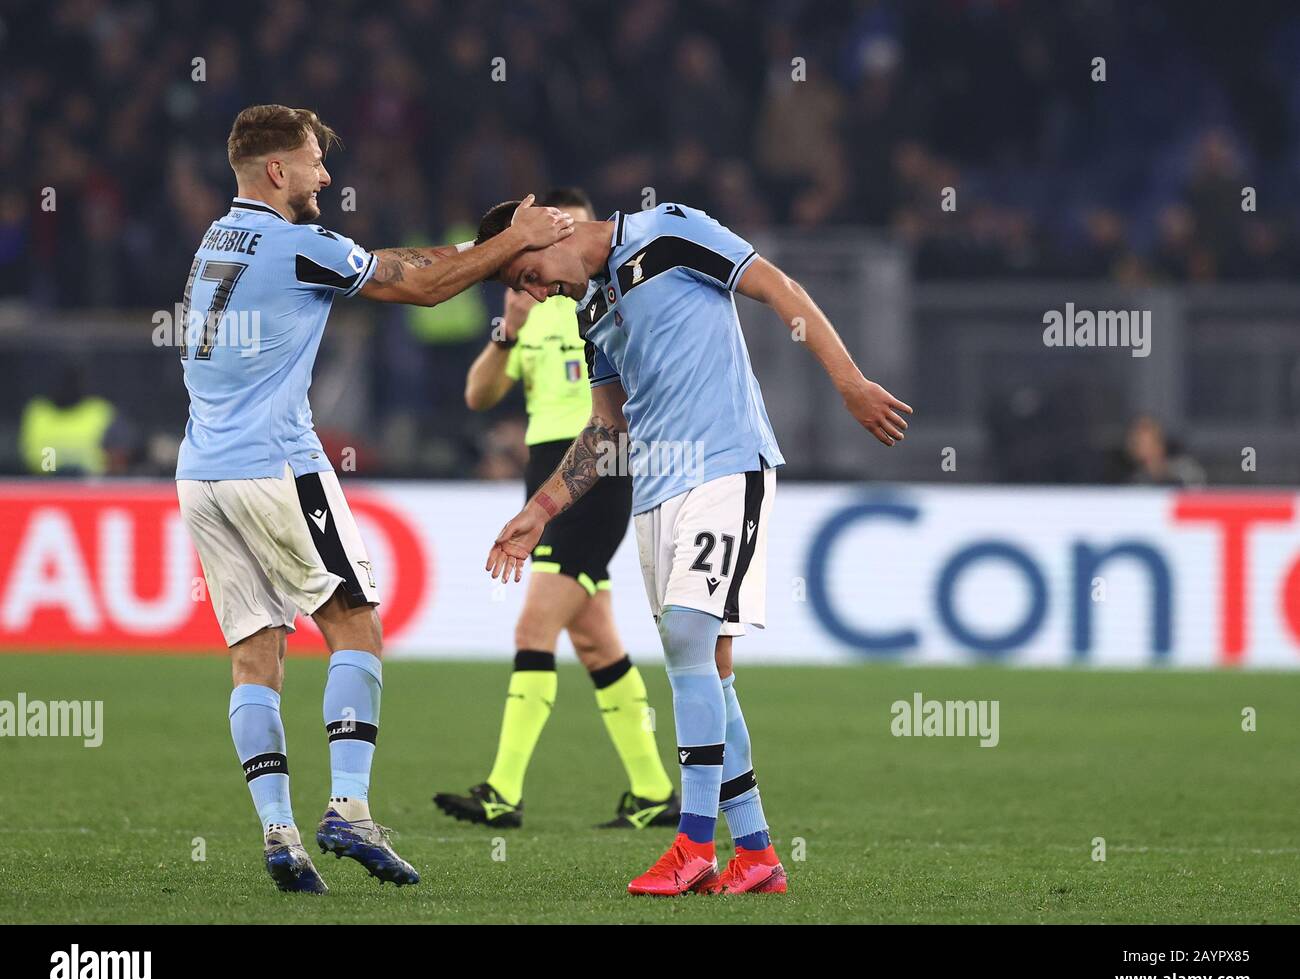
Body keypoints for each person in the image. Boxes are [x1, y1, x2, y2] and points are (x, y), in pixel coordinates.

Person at [174, 104, 573, 893]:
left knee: (255, 654)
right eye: (315, 162)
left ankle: (280, 836)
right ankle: (349, 810)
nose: (328, 175)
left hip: (202, 472)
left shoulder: (220, 239)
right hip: (276, 467)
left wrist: (475, 249)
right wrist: (511, 244)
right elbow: (420, 290)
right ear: (278, 172)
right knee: (354, 624)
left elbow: (389, 260)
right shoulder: (297, 243)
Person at [479, 199, 911, 895]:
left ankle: (692, 844)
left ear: (552, 224)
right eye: (521, 287)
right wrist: (540, 509)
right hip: (654, 490)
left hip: (725, 464)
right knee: (709, 663)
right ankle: (759, 854)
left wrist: (849, 383)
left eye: (528, 273)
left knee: (687, 637)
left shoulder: (669, 230)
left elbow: (778, 288)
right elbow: (606, 432)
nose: (535, 292)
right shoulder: (592, 313)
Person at [434, 187, 679, 831]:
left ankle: (502, 792)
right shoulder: (529, 306)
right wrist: (506, 338)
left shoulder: (598, 303)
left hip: (597, 472)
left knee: (532, 631)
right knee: (596, 644)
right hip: (545, 479)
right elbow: (478, 396)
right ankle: (653, 793)